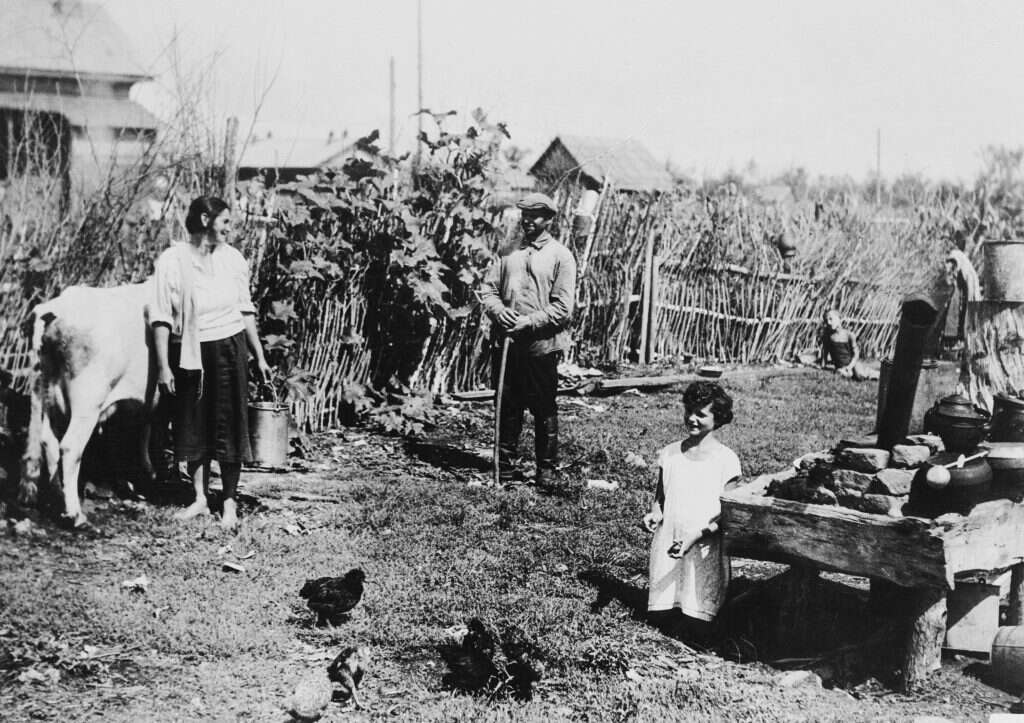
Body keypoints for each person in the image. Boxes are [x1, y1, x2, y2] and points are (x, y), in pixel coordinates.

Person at [149, 196, 272, 529]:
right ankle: (200, 499)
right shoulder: (172, 261)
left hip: (229, 349)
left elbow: (245, 310)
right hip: (188, 351)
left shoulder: (233, 260)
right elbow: (160, 317)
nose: (230, 228)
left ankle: (229, 501)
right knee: (194, 427)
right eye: (226, 222)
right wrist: (163, 366)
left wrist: (258, 355)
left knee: (230, 428)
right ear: (206, 219)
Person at [478, 192, 577, 491]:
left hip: (540, 346)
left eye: (535, 215)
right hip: (507, 345)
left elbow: (563, 308)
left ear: (548, 219)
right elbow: (488, 290)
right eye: (525, 214)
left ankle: (545, 470)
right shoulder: (508, 251)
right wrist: (498, 312)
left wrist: (529, 321)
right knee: (507, 405)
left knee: (543, 407)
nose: (528, 220)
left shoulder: (561, 256)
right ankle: (503, 469)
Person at [641, 381, 741, 641]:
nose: (692, 419)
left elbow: (728, 514)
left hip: (703, 541)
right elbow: (660, 498)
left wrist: (695, 536)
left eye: (701, 414)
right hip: (670, 538)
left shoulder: (726, 460)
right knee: (664, 613)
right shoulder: (671, 453)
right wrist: (654, 514)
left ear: (717, 417)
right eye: (689, 411)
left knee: (698, 614)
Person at [819, 309, 880, 381]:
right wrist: (823, 365)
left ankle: (874, 373)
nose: (829, 322)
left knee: (859, 374)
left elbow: (856, 354)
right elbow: (825, 351)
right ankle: (853, 372)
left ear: (839, 318)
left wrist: (850, 366)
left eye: (831, 319)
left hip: (853, 364)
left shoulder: (849, 335)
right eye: (826, 321)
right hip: (840, 366)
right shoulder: (828, 337)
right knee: (846, 374)